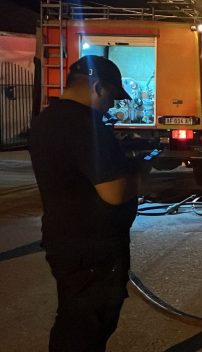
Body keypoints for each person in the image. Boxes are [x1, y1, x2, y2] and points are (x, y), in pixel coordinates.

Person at [29, 55, 147, 351]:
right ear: (97, 87)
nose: (111, 105)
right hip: (92, 250)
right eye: (112, 97)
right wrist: (142, 173)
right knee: (87, 326)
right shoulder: (85, 125)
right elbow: (114, 192)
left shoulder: (48, 119)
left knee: (74, 318)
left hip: (67, 242)